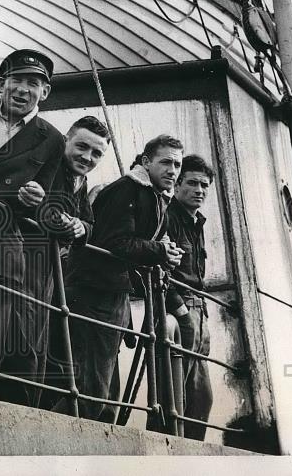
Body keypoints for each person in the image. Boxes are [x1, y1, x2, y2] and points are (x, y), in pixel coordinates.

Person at [0, 49, 66, 405]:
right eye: (16, 80)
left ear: (45, 92)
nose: (23, 90)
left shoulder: (52, 140)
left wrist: (35, 197)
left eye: (33, 83)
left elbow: (47, 202)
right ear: (1, 83)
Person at [57, 134, 185, 422]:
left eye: (177, 164)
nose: (172, 171)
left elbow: (139, 242)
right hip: (94, 291)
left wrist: (166, 253)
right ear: (146, 161)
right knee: (91, 383)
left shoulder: (153, 195)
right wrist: (160, 251)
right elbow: (115, 242)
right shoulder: (127, 190)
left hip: (113, 294)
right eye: (165, 162)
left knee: (103, 385)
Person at [40, 116, 109, 403]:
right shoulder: (49, 167)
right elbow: (37, 203)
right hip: (35, 262)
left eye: (96, 154)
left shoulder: (82, 181)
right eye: (81, 146)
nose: (87, 157)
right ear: (66, 140)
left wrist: (82, 228)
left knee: (57, 344)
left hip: (58, 274)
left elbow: (91, 225)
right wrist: (61, 222)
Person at [165, 154, 216, 440]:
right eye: (193, 183)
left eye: (205, 185)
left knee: (201, 398)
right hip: (178, 313)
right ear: (178, 184)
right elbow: (159, 268)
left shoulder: (196, 223)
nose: (200, 190)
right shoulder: (169, 217)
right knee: (174, 399)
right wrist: (181, 311)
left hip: (200, 315)